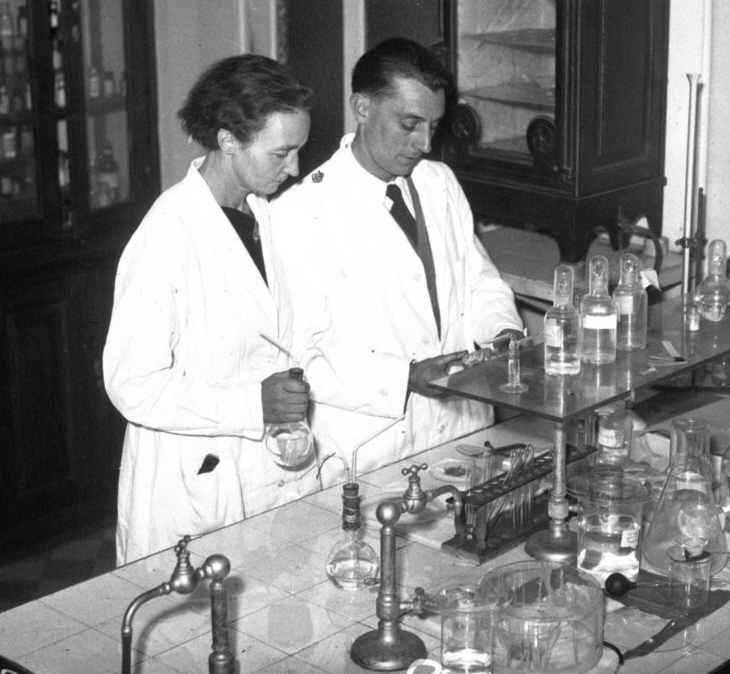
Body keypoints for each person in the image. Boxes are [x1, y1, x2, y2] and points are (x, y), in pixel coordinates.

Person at [269, 37, 523, 474]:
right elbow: (304, 355)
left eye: (434, 125)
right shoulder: (298, 213)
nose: (424, 142)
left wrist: (502, 335)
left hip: (464, 430)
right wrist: (404, 377)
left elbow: (480, 283)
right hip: (373, 449)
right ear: (362, 108)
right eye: (409, 123)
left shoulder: (439, 182)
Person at [104, 54, 317, 565]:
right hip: (193, 486)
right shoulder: (166, 237)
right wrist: (252, 405)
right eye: (281, 153)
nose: (295, 169)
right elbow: (131, 384)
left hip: (264, 473)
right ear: (227, 140)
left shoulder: (265, 214)